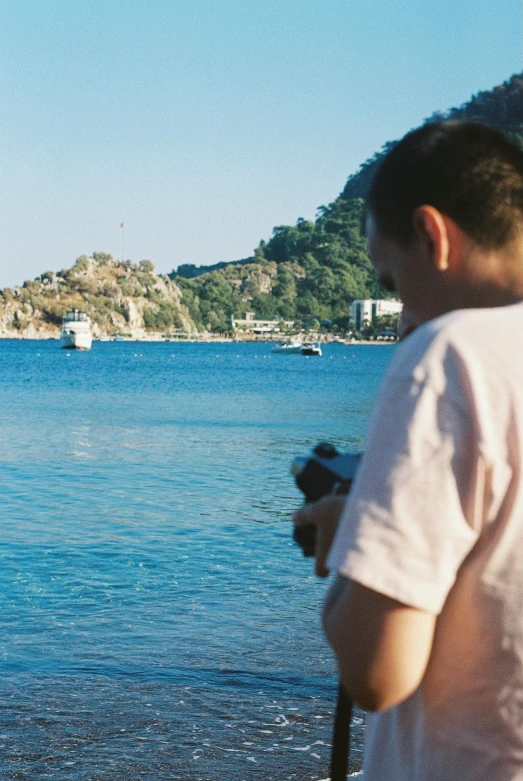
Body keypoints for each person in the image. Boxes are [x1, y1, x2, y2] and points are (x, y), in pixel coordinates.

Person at [294, 120, 523, 780]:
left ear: (433, 235)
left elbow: (377, 671)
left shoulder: (450, 356)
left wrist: (351, 538)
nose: (401, 320)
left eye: (391, 282)